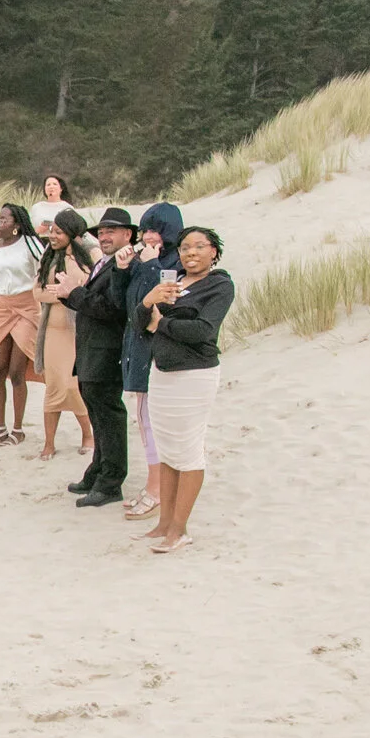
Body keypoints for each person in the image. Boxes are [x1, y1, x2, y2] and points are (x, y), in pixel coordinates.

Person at [135, 227, 235, 555]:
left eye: (199, 247)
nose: (191, 253)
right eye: (185, 247)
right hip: (162, 371)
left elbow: (203, 331)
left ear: (213, 252)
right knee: (167, 450)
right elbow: (140, 321)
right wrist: (148, 301)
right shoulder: (172, 279)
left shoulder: (219, 284)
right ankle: (164, 523)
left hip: (194, 375)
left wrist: (160, 324)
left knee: (188, 450)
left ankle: (179, 530)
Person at [52, 207, 136, 507]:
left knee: (108, 416)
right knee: (98, 414)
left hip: (107, 351)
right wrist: (68, 293)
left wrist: (74, 292)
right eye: (100, 232)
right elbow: (94, 303)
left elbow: (111, 308)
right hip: (90, 349)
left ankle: (111, 481)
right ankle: (99, 470)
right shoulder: (105, 262)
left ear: (128, 234)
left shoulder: (124, 265)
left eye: (111, 231)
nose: (104, 236)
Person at [123, 204, 182, 522]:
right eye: (145, 230)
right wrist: (124, 270)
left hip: (160, 353)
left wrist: (150, 266)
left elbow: (162, 303)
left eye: (155, 230)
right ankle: (155, 485)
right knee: (145, 420)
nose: (148, 236)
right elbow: (130, 308)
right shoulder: (144, 259)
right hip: (138, 346)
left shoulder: (172, 263)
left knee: (153, 424)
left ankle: (157, 490)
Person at [0, 204, 42, 447]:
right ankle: (0, 428)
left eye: (4, 219)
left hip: (27, 306)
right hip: (1, 308)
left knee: (16, 370)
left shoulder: (31, 245)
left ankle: (18, 428)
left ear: (16, 225)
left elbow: (42, 274)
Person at [32, 209, 96, 462]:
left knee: (74, 385)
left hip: (78, 331)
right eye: (51, 231)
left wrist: (69, 293)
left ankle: (88, 435)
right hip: (52, 333)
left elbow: (90, 289)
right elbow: (37, 292)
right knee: (54, 385)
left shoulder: (90, 257)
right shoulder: (48, 257)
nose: (52, 236)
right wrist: (61, 294)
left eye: (59, 232)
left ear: (72, 233)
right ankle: (49, 442)